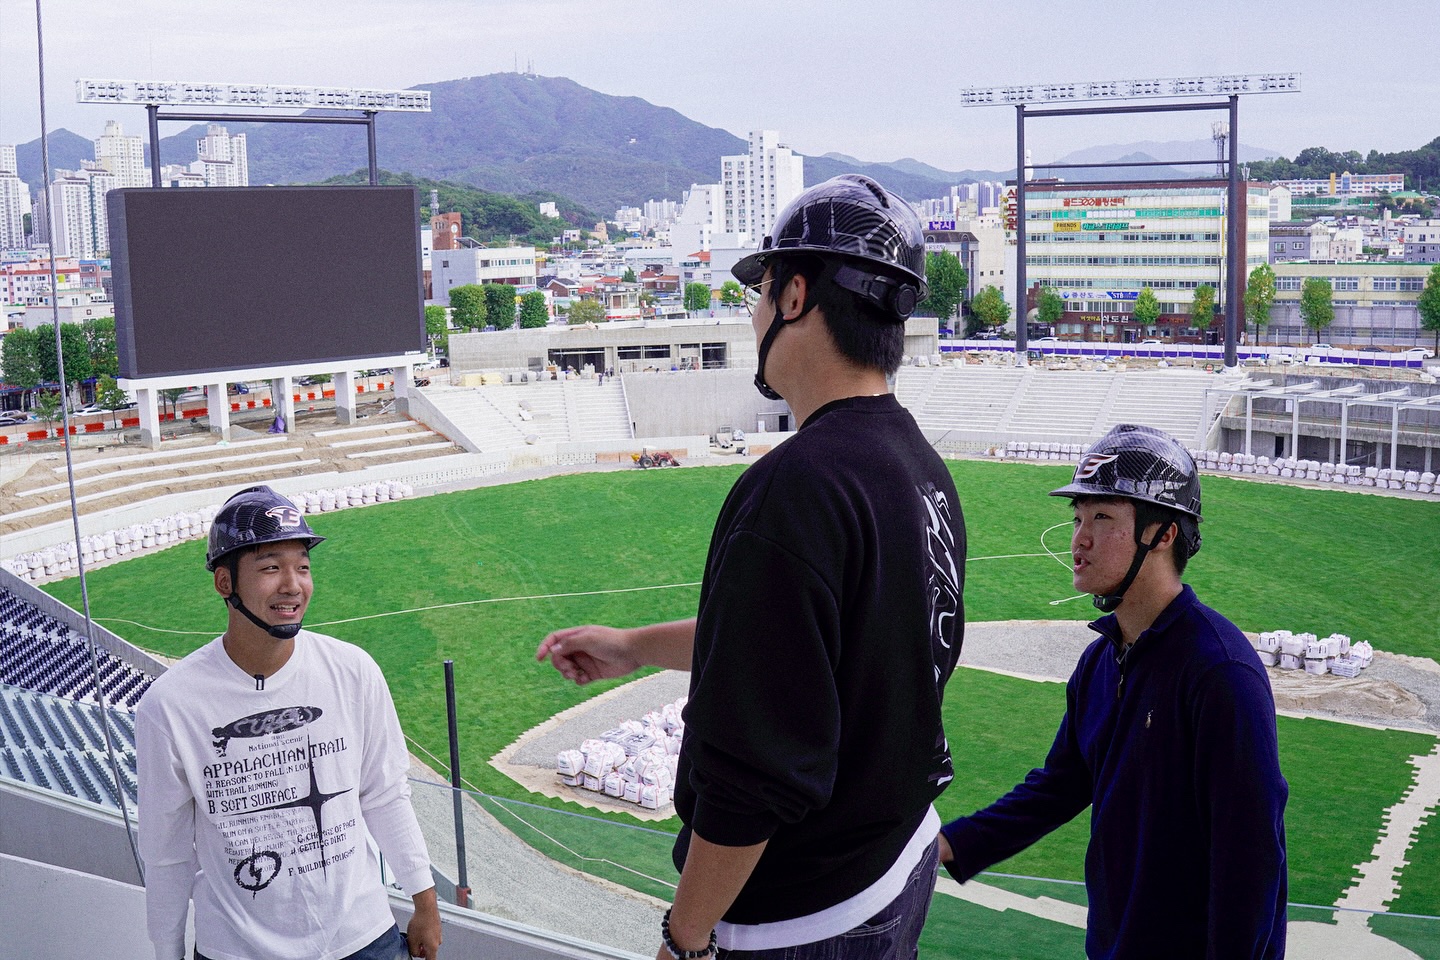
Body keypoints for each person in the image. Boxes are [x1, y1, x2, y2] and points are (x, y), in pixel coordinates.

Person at [538, 174, 965, 960]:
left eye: (761, 290)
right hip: (895, 865)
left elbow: (753, 777)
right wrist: (633, 647)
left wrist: (686, 937)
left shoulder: (795, 489)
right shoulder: (920, 469)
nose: (754, 311)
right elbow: (800, 649)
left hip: (804, 919)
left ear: (796, 295)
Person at [937, 424, 1287, 959]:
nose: (1078, 539)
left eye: (1102, 518)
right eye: (1078, 518)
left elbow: (1251, 857)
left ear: (1163, 534)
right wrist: (951, 845)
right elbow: (1060, 785)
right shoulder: (1101, 661)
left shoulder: (1220, 672)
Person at [137, 485, 442, 960]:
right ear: (224, 583)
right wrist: (167, 951)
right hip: (237, 950)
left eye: (303, 566)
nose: (293, 585)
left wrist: (425, 900)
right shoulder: (170, 705)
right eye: (270, 568)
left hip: (364, 938)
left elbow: (384, 793)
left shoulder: (353, 670)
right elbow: (167, 851)